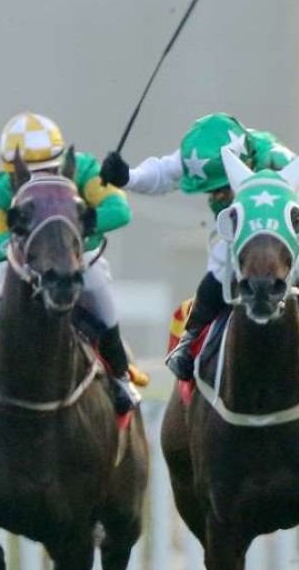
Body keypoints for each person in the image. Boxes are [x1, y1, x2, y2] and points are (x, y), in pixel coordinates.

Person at [0, 112, 139, 412]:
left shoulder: (84, 168)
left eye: (51, 171)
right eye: (31, 175)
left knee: (104, 309)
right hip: (28, 264)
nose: (44, 181)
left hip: (80, 259)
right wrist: (24, 241)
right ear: (14, 173)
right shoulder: (3, 187)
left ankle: (119, 375)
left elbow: (119, 210)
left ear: (62, 160)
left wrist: (73, 230)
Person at [100, 112, 295, 380]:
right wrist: (127, 177)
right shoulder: (201, 156)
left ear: (245, 162)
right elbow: (161, 173)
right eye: (210, 191)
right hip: (240, 238)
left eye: (221, 189)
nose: (215, 196)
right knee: (218, 265)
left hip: (285, 241)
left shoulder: (276, 159)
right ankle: (189, 343)